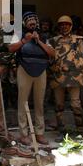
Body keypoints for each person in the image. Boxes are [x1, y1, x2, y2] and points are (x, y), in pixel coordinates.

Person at [8, 12, 55, 145]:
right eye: (29, 20)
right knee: (22, 102)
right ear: (24, 23)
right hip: (24, 69)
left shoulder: (44, 36)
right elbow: (11, 48)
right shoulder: (18, 34)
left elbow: (52, 53)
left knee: (39, 103)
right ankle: (24, 134)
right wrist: (24, 40)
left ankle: (39, 133)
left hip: (41, 71)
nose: (32, 22)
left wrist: (39, 41)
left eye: (34, 20)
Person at [48, 15, 83, 135]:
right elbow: (50, 58)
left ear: (70, 26)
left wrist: (81, 75)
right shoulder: (53, 41)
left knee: (75, 103)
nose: (64, 26)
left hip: (74, 76)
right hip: (58, 76)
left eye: (66, 24)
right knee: (59, 104)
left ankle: (80, 129)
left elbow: (82, 58)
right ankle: (62, 130)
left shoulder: (78, 40)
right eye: (61, 25)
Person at [0, 14, 18, 109]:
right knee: (2, 84)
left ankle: (14, 103)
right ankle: (4, 103)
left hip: (13, 62)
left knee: (13, 83)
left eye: (12, 23)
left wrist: (14, 63)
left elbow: (16, 48)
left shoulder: (15, 33)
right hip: (2, 62)